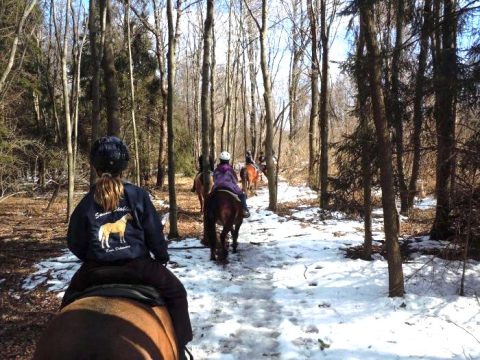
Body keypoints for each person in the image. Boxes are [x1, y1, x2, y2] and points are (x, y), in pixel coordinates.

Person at [62, 136, 193, 359]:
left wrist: (94, 256)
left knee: (67, 303)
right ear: (124, 165)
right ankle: (180, 349)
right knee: (177, 293)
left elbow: (74, 242)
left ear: (95, 166)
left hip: (94, 270)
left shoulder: (85, 203)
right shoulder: (137, 195)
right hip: (138, 267)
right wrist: (161, 255)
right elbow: (153, 231)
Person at [212, 151, 250, 218]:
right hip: (230, 187)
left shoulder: (216, 169)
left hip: (217, 187)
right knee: (242, 195)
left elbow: (214, 179)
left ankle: (207, 211)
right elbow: (235, 180)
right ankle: (244, 210)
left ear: (220, 160)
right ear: (228, 160)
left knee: (210, 196)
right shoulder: (230, 170)